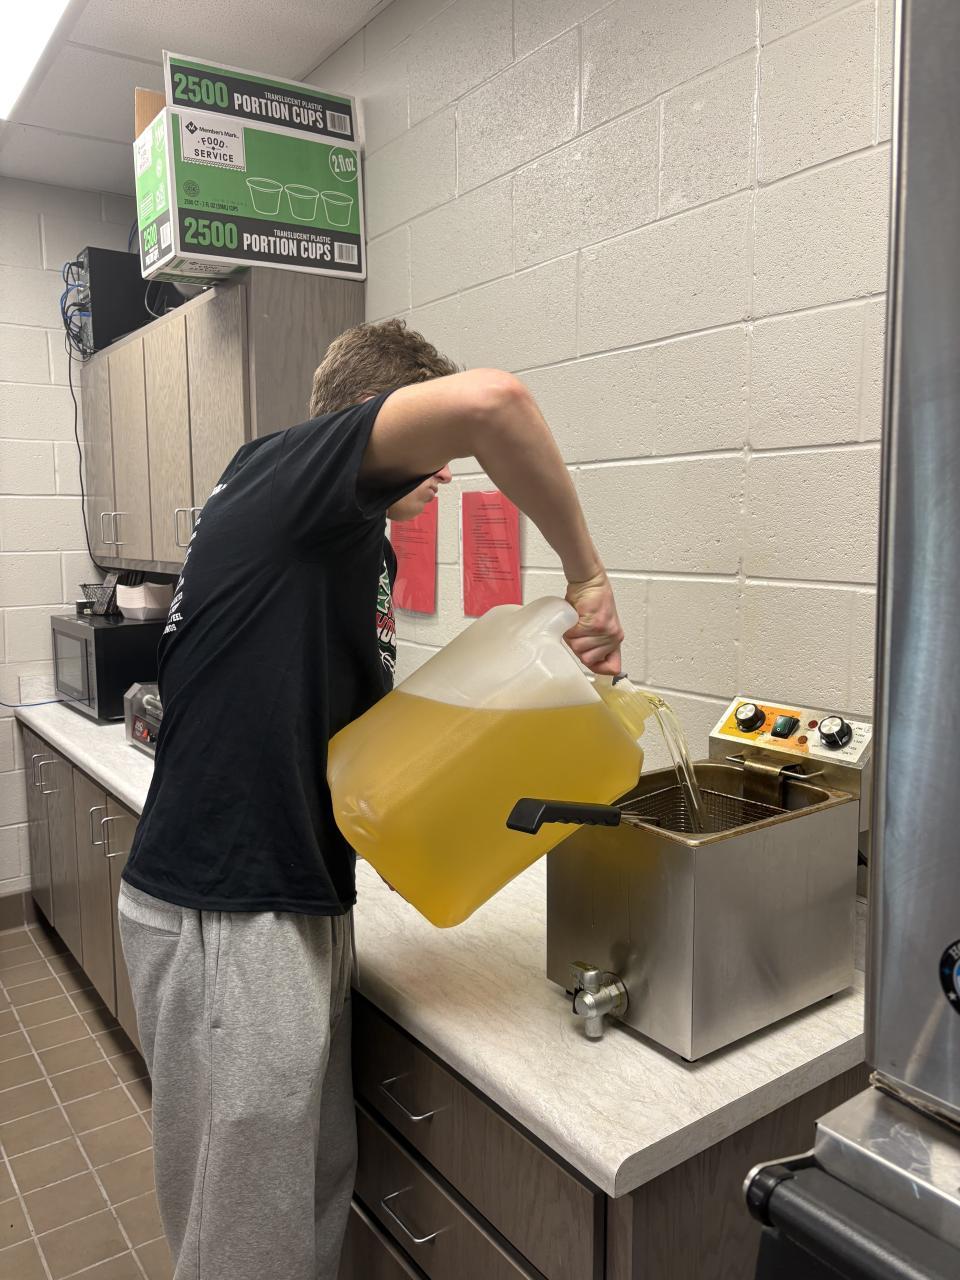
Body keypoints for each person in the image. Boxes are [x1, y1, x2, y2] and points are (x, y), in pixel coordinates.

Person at [118, 318, 625, 1280]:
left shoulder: (344, 549)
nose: (445, 477)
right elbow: (496, 403)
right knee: (247, 1246)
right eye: (430, 455)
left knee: (309, 1202)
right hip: (230, 907)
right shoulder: (284, 473)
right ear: (369, 416)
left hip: (291, 900)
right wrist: (587, 578)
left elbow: (358, 744)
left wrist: (530, 682)